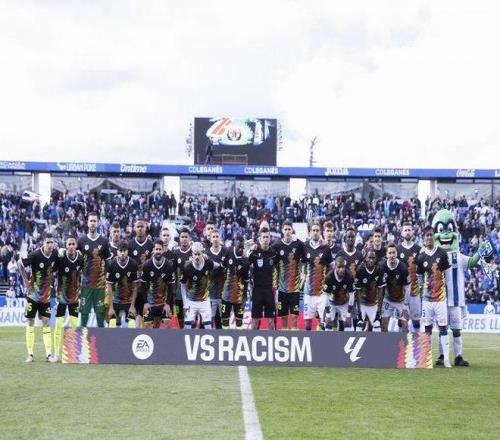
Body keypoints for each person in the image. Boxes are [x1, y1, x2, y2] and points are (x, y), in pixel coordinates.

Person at [18, 232, 58, 362]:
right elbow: (20, 263)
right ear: (43, 243)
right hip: (33, 295)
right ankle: (30, 354)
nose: (50, 245)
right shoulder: (35, 255)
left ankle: (48, 355)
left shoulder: (55, 254)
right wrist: (26, 282)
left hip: (46, 296)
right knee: (30, 321)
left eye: (52, 242)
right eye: (47, 242)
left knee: (46, 322)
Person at [417, 226, 452, 367]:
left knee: (443, 328)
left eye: (431, 235)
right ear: (424, 238)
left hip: (440, 299)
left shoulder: (442, 253)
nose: (429, 238)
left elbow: (447, 276)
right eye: (427, 235)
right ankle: (427, 359)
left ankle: (447, 359)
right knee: (427, 329)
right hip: (427, 300)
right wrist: (422, 292)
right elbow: (420, 278)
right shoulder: (421, 257)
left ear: (434, 237)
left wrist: (446, 294)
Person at [77, 212, 110, 327]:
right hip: (86, 285)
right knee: (84, 315)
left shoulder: (104, 241)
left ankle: (102, 338)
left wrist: (107, 283)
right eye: (91, 221)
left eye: (94, 221)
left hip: (100, 286)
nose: (92, 223)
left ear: (98, 223)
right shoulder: (81, 241)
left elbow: (108, 264)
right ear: (87, 223)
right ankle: (82, 338)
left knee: (100, 315)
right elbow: (76, 262)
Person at [54, 235, 84, 361]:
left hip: (74, 298)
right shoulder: (61, 258)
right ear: (66, 246)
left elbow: (83, 275)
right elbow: (52, 269)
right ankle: (56, 354)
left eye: (73, 244)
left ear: (76, 246)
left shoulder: (80, 259)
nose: (71, 246)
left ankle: (74, 353)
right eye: (69, 244)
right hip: (61, 297)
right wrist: (57, 253)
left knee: (74, 326)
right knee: (58, 325)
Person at [272, 221, 304, 330]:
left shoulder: (298, 244)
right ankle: (285, 335)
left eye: (289, 229)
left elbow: (306, 257)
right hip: (282, 289)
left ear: (292, 230)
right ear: (282, 231)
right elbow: (273, 264)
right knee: (284, 317)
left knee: (295, 317)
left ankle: (294, 336)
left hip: (295, 289)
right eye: (285, 229)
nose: (287, 231)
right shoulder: (276, 245)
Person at [301, 222, 333, 331]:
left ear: (320, 232)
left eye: (317, 230)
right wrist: (302, 275)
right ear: (310, 232)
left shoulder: (326, 248)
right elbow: (301, 263)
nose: (315, 232)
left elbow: (331, 267)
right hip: (308, 291)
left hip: (321, 293)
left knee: (321, 322)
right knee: (308, 324)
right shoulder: (304, 246)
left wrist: (327, 282)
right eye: (313, 230)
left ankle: (321, 341)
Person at [180, 242, 216, 329]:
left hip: (205, 301)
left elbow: (220, 268)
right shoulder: (187, 267)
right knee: (187, 327)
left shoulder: (209, 263)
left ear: (202, 254)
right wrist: (185, 303)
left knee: (208, 327)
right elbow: (183, 285)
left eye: (199, 254)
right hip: (191, 301)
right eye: (195, 254)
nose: (197, 257)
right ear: (192, 254)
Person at [141, 240, 175, 329]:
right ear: (153, 250)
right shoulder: (147, 265)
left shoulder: (169, 265)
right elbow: (143, 285)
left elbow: (170, 286)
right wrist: (145, 302)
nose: (158, 251)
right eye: (156, 249)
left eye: (160, 249)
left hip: (163, 302)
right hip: (150, 302)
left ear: (163, 250)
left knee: (167, 324)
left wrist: (168, 304)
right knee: (147, 325)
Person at [106, 240, 140, 328]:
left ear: (127, 251)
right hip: (115, 301)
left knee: (132, 325)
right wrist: (111, 307)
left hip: (129, 301)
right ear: (117, 251)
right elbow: (109, 287)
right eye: (120, 251)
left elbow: (135, 287)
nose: (122, 253)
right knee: (112, 325)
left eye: (124, 251)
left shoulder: (133, 264)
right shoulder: (111, 264)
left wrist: (132, 305)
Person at [248, 227, 277, 330]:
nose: (265, 239)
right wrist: (249, 249)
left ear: (270, 239)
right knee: (255, 321)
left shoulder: (274, 253)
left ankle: (273, 339)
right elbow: (244, 263)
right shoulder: (255, 252)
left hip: (269, 290)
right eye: (263, 237)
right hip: (257, 290)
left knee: (271, 321)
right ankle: (252, 339)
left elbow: (279, 268)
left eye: (267, 237)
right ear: (260, 239)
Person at [128, 219, 154, 326]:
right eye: (138, 226)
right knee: (131, 319)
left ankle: (146, 334)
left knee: (147, 320)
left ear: (146, 228)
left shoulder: (151, 245)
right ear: (134, 228)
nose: (140, 228)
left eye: (142, 226)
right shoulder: (130, 244)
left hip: (146, 289)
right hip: (132, 289)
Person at [396, 222, 422, 331]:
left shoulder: (418, 249)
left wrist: (420, 285)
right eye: (405, 230)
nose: (407, 232)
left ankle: (417, 340)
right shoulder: (397, 249)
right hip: (401, 291)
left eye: (409, 230)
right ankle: (399, 340)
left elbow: (421, 270)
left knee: (416, 320)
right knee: (401, 319)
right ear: (402, 233)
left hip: (414, 290)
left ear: (412, 232)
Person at [221, 237, 250, 329]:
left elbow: (246, 281)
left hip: (239, 296)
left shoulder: (245, 261)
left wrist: (244, 296)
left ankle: (238, 336)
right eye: (239, 246)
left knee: (239, 322)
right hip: (226, 294)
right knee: (225, 321)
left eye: (242, 247)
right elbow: (223, 268)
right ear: (234, 244)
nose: (240, 249)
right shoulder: (228, 251)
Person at [380, 243, 411, 332]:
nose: (392, 255)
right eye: (390, 253)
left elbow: (408, 288)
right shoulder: (382, 266)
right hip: (387, 299)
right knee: (384, 325)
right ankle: (384, 341)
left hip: (401, 300)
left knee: (405, 324)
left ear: (397, 253)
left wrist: (405, 305)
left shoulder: (403, 268)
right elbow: (379, 286)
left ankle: (404, 341)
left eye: (393, 253)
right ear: (386, 255)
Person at [354, 249, 385, 331]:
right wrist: (359, 311)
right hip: (362, 303)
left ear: (376, 259)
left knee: (377, 327)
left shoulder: (379, 269)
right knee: (359, 326)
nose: (371, 260)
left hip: (373, 304)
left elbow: (380, 291)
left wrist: (379, 311)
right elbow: (357, 292)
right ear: (365, 258)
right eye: (369, 258)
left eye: (373, 258)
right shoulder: (360, 270)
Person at [323, 256, 355, 331]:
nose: (341, 269)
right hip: (332, 302)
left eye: (343, 267)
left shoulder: (349, 276)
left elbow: (352, 295)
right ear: (335, 267)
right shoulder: (329, 277)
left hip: (344, 303)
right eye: (339, 267)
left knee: (348, 324)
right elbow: (326, 296)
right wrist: (327, 314)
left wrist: (348, 314)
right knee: (328, 323)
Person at [207, 229, 226, 329]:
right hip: (210, 290)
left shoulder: (225, 251)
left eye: (217, 237)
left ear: (220, 238)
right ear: (210, 239)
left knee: (221, 318)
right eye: (213, 237)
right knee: (211, 317)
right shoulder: (207, 253)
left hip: (223, 290)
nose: (215, 239)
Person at [173, 228, 192, 328]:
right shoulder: (176, 253)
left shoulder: (194, 252)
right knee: (180, 315)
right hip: (179, 290)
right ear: (179, 238)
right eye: (182, 237)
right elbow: (174, 273)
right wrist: (174, 290)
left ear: (190, 238)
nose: (184, 239)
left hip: (192, 289)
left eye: (186, 237)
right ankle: (181, 333)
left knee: (191, 315)